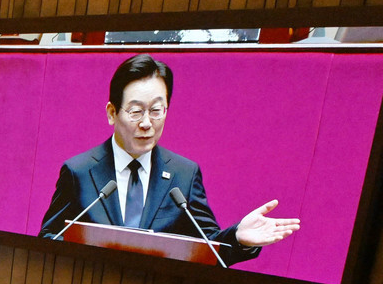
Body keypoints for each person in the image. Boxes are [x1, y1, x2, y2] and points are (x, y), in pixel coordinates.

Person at [38, 53, 299, 266]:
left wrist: (239, 238)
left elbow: (208, 248)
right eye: (136, 111)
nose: (146, 124)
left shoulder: (183, 174)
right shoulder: (79, 171)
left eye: (156, 111)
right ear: (112, 113)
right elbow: (47, 240)